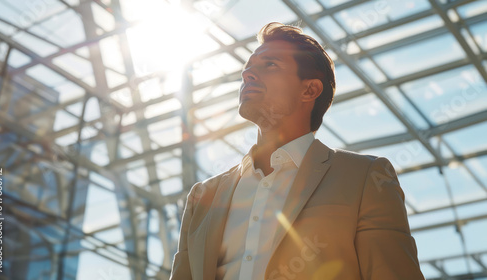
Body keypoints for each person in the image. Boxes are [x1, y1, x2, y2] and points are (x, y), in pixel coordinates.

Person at [170, 22, 424, 280]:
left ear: (309, 89)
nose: (248, 74)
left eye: (270, 65)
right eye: (248, 68)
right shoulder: (203, 197)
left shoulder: (365, 178)